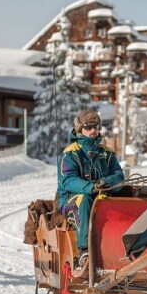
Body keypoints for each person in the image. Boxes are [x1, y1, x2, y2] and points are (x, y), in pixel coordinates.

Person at [57, 110, 124, 269]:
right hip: (71, 201)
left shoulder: (107, 153)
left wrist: (106, 182)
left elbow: (119, 175)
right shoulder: (70, 153)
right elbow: (67, 180)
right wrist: (91, 187)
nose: (94, 130)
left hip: (102, 197)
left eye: (96, 126)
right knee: (86, 199)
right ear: (80, 129)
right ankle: (84, 250)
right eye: (89, 127)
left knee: (121, 200)